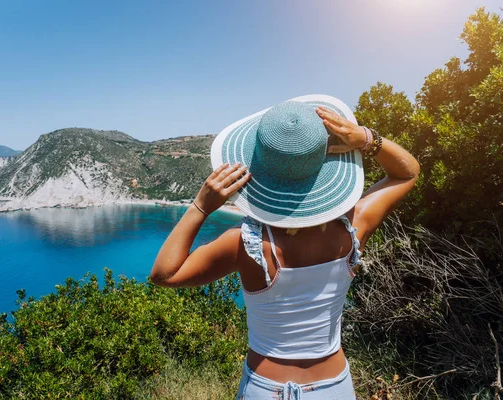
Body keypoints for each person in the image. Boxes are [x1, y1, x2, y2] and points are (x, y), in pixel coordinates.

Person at [150, 95, 419, 399]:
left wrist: (202, 205)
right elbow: (406, 172)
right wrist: (368, 139)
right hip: (333, 388)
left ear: (261, 170)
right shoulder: (354, 227)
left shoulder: (245, 244)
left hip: (264, 388)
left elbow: (164, 275)